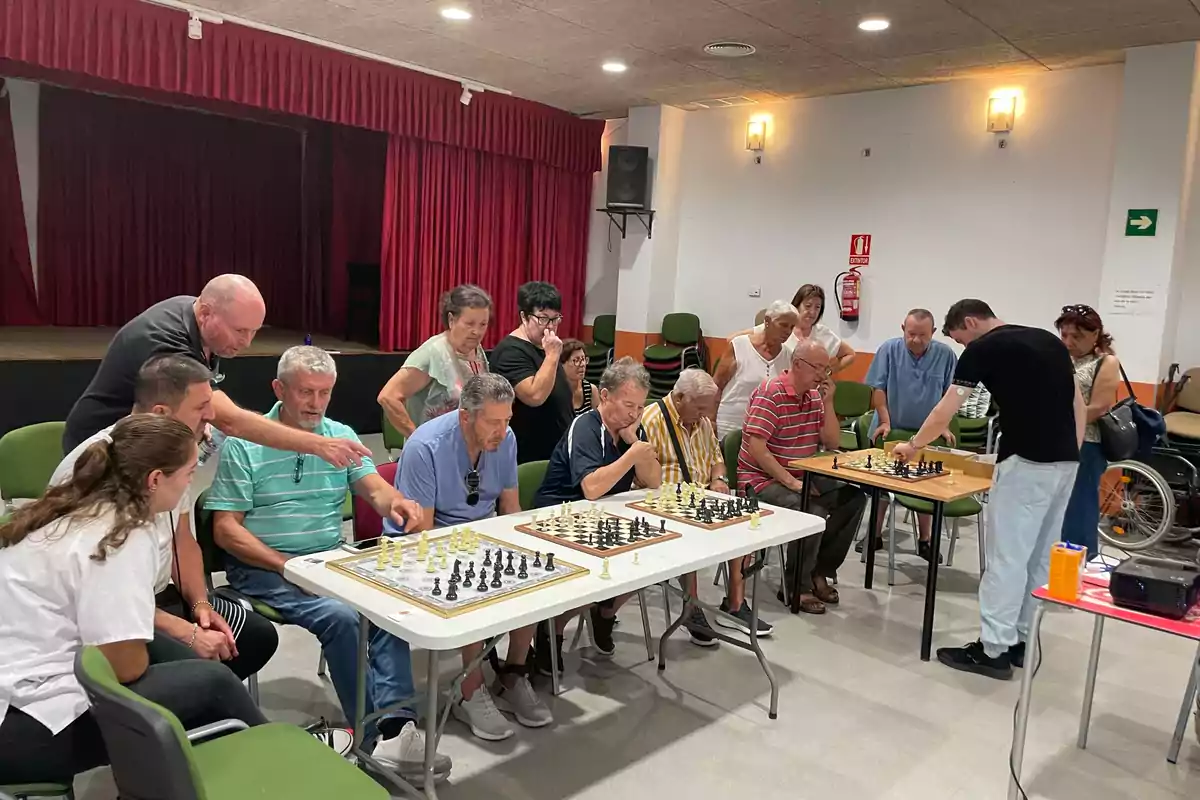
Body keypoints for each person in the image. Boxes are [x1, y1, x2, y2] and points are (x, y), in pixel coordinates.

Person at [205, 346, 450, 780]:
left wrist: (397, 503)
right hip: (263, 568)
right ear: (279, 389)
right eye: (305, 392)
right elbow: (226, 530)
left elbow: (374, 489)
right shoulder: (246, 443)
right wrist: (284, 565)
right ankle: (378, 736)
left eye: (325, 393)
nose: (316, 403)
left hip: (326, 561)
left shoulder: (339, 433)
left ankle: (395, 727)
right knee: (341, 616)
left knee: (387, 604)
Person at [0, 415, 267, 785]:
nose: (193, 481)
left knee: (193, 667)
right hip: (27, 723)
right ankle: (279, 768)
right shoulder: (122, 537)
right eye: (189, 473)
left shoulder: (76, 504)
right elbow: (124, 666)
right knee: (214, 685)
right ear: (155, 479)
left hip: (23, 689)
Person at [53, 355, 277, 681]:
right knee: (207, 676)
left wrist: (201, 604)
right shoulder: (100, 469)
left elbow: (182, 541)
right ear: (161, 413)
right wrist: (184, 631)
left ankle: (193, 714)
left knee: (255, 637)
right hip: (113, 617)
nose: (212, 416)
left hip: (159, 599)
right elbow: (106, 598)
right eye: (201, 408)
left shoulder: (171, 456)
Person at [893, 300, 1083, 680]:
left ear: (968, 322)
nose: (963, 347)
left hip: (1026, 462)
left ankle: (993, 649)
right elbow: (1078, 403)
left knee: (1006, 558)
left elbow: (945, 410)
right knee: (1039, 557)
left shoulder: (985, 348)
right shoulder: (1048, 341)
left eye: (960, 339)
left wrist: (913, 446)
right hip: (1065, 462)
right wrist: (1071, 453)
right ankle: (1021, 642)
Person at [63, 273, 370, 468]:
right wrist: (318, 444)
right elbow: (231, 421)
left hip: (146, 444)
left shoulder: (195, 313)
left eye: (254, 332)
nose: (246, 342)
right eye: (239, 331)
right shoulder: (164, 339)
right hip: (98, 449)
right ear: (207, 313)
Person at [391, 374, 552, 742]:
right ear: (466, 417)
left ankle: (514, 672)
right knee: (468, 587)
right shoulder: (425, 446)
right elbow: (423, 533)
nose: (502, 430)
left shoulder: (506, 439)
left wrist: (525, 552)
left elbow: (510, 506)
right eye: (493, 422)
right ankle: (470, 689)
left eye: (507, 420)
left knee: (535, 576)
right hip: (429, 541)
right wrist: (475, 555)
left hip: (484, 532)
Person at [531, 357, 662, 669]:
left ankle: (604, 612)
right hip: (559, 515)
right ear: (605, 396)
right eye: (628, 405)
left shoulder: (631, 428)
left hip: (604, 518)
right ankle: (551, 631)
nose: (634, 414)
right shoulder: (586, 427)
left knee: (652, 562)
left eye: (640, 407)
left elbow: (655, 480)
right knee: (590, 579)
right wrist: (632, 454)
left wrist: (633, 441)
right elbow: (590, 488)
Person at [737, 341, 867, 615]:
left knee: (853, 498)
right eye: (818, 368)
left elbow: (831, 441)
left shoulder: (814, 397)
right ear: (797, 364)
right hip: (760, 481)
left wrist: (829, 402)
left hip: (802, 474)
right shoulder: (770, 393)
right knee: (811, 509)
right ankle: (796, 584)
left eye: (826, 369)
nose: (822, 375)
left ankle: (820, 570)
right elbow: (757, 449)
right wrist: (793, 483)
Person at [642, 369, 760, 643]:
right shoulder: (651, 420)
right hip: (664, 502)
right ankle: (691, 608)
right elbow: (642, 476)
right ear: (680, 397)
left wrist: (718, 479)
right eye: (701, 407)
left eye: (710, 407)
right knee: (689, 533)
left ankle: (735, 604)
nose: (707, 414)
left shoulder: (702, 421)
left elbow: (716, 458)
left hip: (703, 496)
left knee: (742, 524)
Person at [859, 309, 958, 562]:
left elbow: (950, 394)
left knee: (925, 485)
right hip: (891, 426)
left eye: (923, 335)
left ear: (933, 333)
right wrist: (884, 420)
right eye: (911, 334)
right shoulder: (889, 350)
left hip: (925, 433)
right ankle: (874, 534)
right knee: (881, 484)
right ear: (903, 328)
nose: (916, 340)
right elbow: (878, 388)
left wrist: (943, 425)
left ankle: (925, 541)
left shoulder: (945, 355)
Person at [378, 284, 491, 437]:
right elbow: (388, 397)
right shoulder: (433, 353)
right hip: (434, 450)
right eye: (469, 324)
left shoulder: (476, 350)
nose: (477, 332)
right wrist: (418, 439)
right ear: (451, 320)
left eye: (483, 324)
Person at [1055, 304, 1120, 558]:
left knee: (1079, 506)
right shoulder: (1062, 358)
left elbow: (1100, 407)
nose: (1069, 342)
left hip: (1088, 444)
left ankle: (1082, 561)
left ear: (1095, 335)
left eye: (1077, 337)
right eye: (1064, 335)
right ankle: (1057, 561)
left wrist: (1066, 423)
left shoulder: (1105, 362)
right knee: (1059, 505)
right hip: (1060, 440)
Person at [490, 281, 574, 463]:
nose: (550, 326)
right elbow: (535, 396)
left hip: (555, 451)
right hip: (529, 454)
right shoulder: (511, 352)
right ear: (524, 317)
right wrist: (552, 355)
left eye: (555, 319)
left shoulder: (545, 346)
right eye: (543, 319)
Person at [714, 300, 799, 440]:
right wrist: (710, 420)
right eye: (783, 325)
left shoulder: (788, 356)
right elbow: (716, 385)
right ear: (767, 321)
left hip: (764, 429)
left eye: (791, 327)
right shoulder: (739, 346)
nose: (787, 332)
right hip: (730, 423)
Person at [560, 338, 597, 416]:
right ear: (561, 364)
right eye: (576, 360)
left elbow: (598, 421)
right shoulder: (555, 391)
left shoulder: (591, 390)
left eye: (583, 359)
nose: (582, 364)